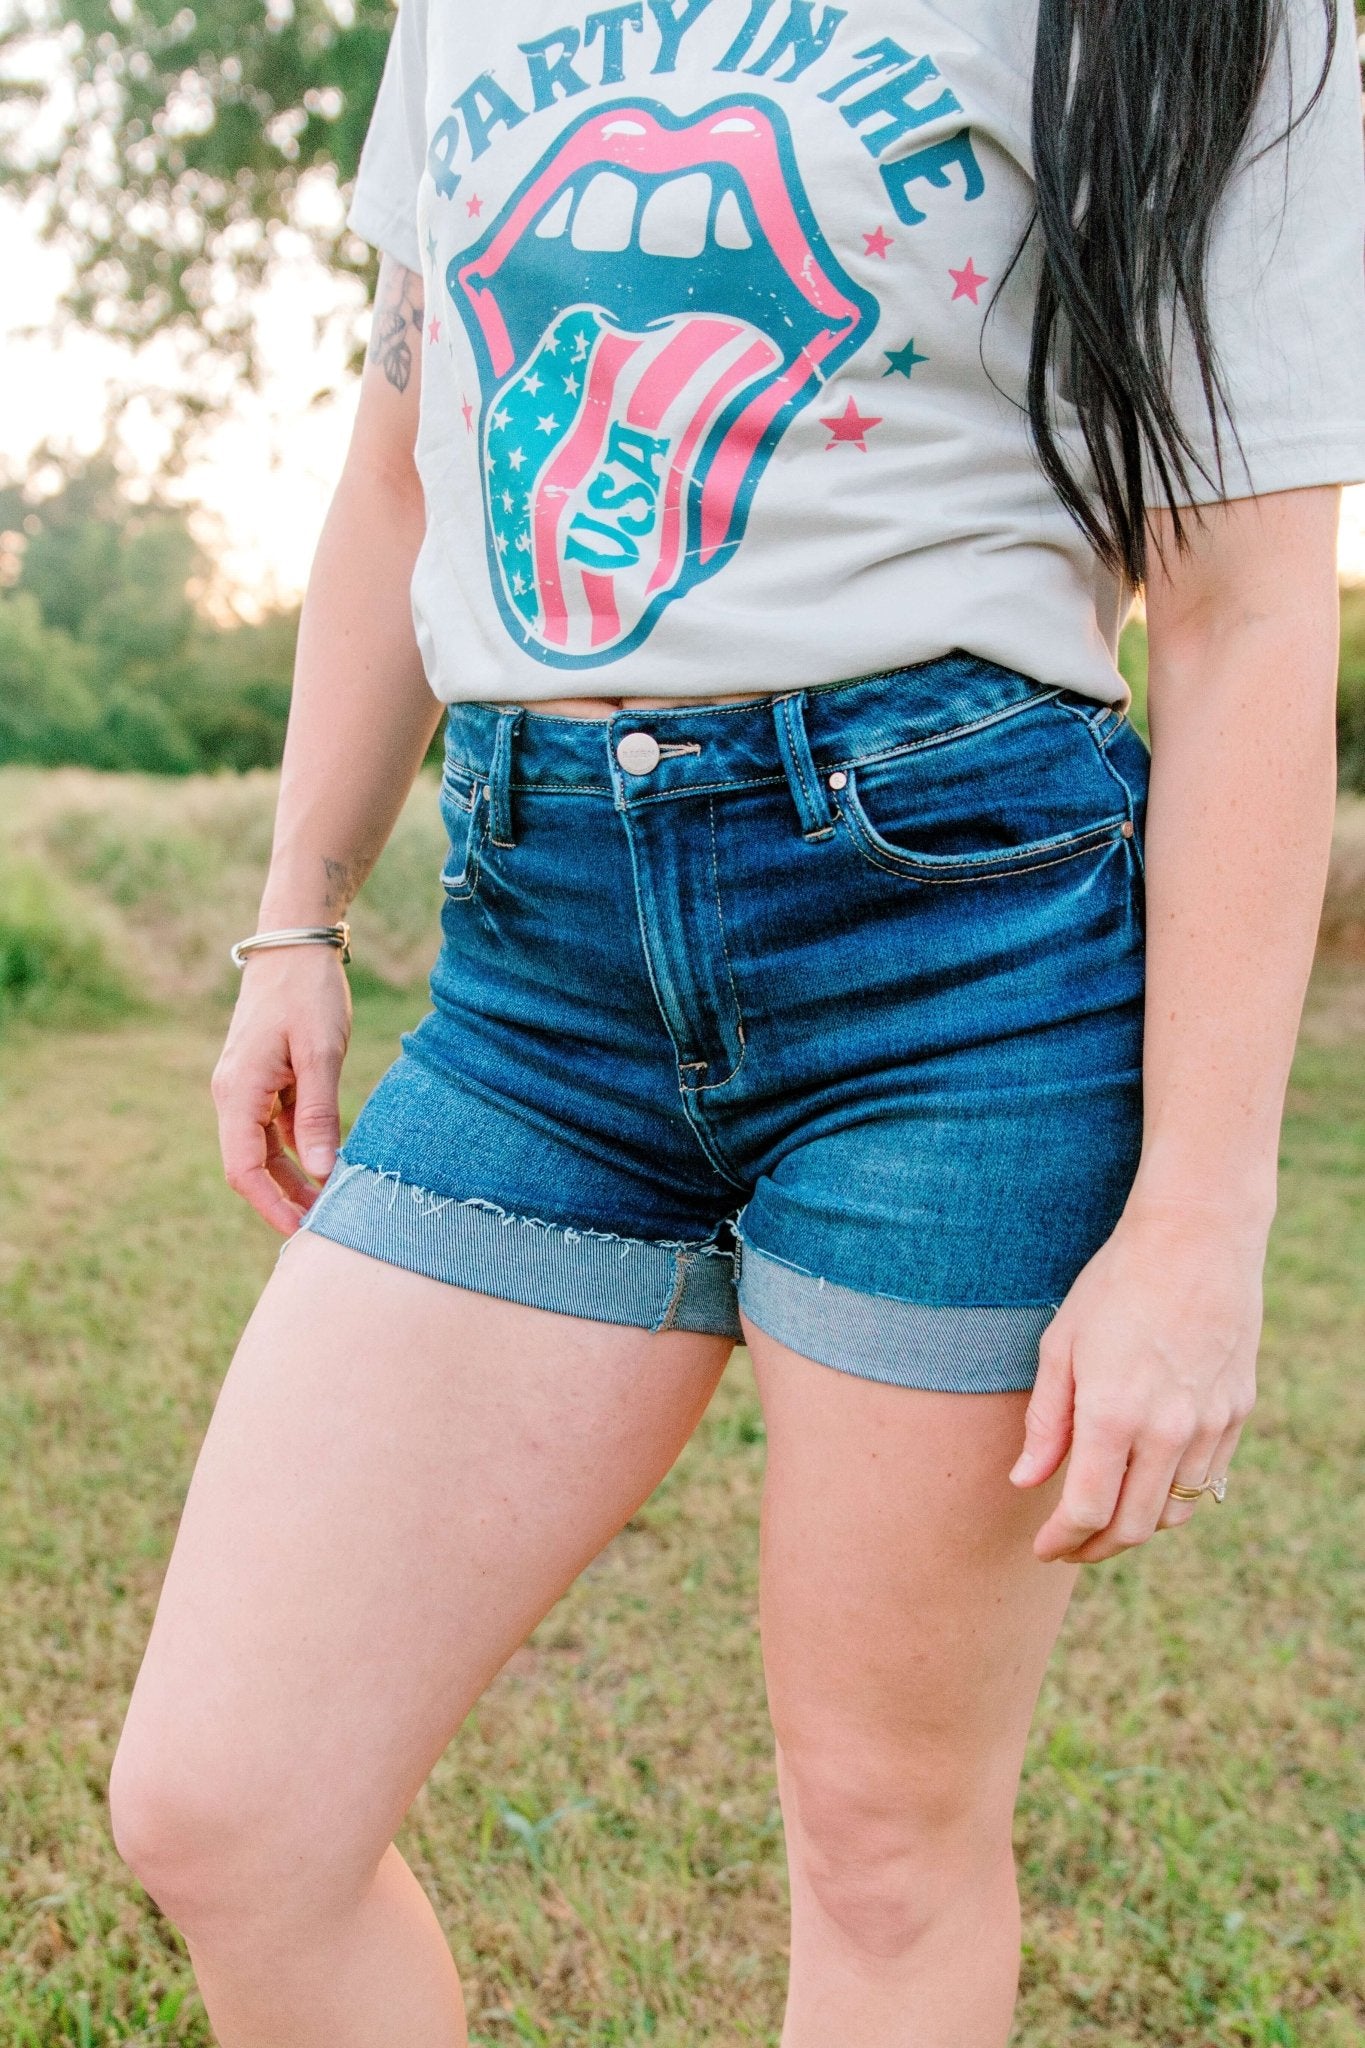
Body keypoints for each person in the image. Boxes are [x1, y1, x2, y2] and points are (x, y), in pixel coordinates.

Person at [107, 2, 1365, 2043]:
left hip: (952, 955)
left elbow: (1233, 617)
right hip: (535, 971)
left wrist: (1198, 1221)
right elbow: (398, 469)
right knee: (224, 1806)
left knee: (882, 1845)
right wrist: (293, 916)